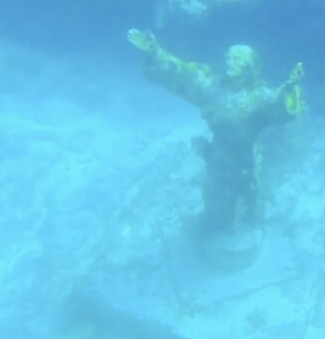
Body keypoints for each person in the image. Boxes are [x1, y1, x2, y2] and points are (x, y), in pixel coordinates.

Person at [127, 29, 305, 266]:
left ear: (249, 68)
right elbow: (184, 76)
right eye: (229, 57)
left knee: (246, 199)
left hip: (244, 161)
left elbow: (278, 107)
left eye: (238, 60)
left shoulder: (257, 96)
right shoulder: (213, 89)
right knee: (215, 195)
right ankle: (216, 228)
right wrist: (156, 53)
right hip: (219, 157)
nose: (231, 62)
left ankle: (242, 231)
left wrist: (289, 93)